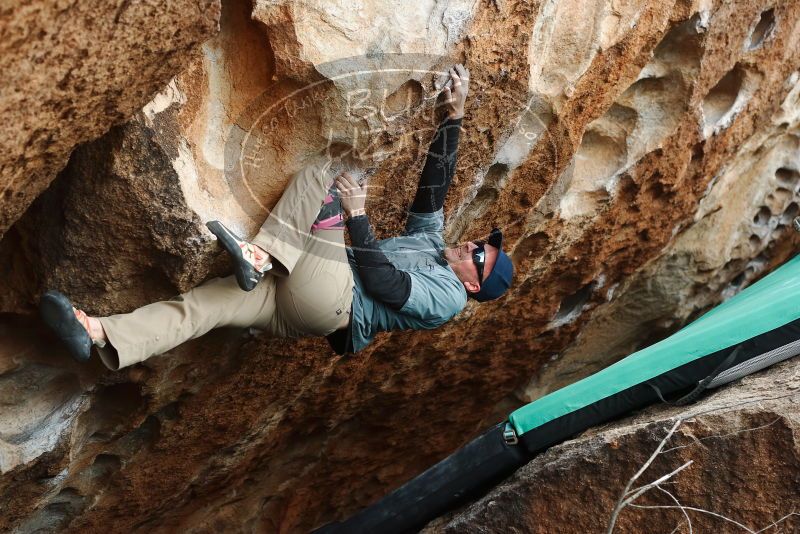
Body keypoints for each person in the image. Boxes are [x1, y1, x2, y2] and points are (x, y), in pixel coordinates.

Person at [39, 64, 513, 369]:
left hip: (333, 300)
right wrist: (453, 117)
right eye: (479, 243)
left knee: (324, 178)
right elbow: (435, 188)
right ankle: (100, 333)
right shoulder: (432, 244)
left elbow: (386, 285)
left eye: (479, 256)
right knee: (204, 307)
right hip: (295, 306)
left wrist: (359, 217)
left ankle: (261, 255)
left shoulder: (449, 297)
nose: (472, 245)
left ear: (474, 284)